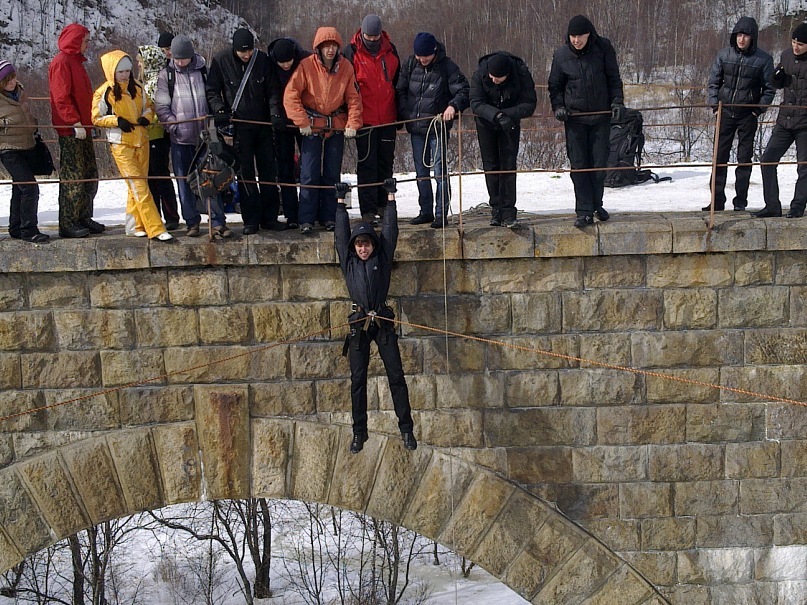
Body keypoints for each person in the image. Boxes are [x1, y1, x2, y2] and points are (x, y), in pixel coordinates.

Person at [334, 179, 417, 454]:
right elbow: (340, 235)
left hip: (382, 320)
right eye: (359, 244)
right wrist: (340, 203)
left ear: (372, 244)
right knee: (358, 381)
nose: (363, 249)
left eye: (367, 244)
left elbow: (390, 231)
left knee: (396, 376)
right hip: (359, 323)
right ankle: (359, 432)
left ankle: (406, 429)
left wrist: (390, 196)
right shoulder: (349, 262)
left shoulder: (382, 257)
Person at [284, 26, 362, 234]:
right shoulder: (306, 65)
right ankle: (306, 219)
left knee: (332, 173)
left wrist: (352, 123)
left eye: (333, 46)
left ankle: (329, 216)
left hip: (336, 125)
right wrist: (301, 121)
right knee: (308, 173)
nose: (330, 50)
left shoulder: (346, 67)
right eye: (325, 46)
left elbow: (354, 98)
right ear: (318, 48)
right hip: (312, 126)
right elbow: (291, 95)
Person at [548, 15, 625, 228]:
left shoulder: (604, 48)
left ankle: (596, 204)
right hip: (575, 119)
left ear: (589, 34)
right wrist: (559, 107)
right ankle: (583, 211)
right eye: (572, 36)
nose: (576, 40)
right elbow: (555, 87)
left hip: (601, 116)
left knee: (599, 165)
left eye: (580, 36)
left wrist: (617, 102)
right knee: (579, 166)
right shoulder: (561, 55)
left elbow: (614, 79)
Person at [207, 28, 285, 234]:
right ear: (234, 49)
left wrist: (275, 113)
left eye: (250, 50)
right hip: (239, 127)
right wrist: (219, 109)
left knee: (268, 171)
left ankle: (270, 217)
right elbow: (212, 90)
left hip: (263, 126)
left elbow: (273, 90)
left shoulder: (262, 60)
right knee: (245, 173)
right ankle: (251, 220)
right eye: (243, 51)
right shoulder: (221, 61)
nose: (247, 55)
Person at [155, 34, 231, 238]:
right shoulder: (166, 75)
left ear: (191, 55)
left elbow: (212, 96)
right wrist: (174, 127)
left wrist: (213, 123)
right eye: (177, 59)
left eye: (184, 58)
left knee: (212, 178)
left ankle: (217, 221)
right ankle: (192, 222)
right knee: (184, 182)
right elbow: (161, 107)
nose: (180, 62)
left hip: (205, 138)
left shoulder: (203, 71)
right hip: (180, 139)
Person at [91, 50, 172, 241]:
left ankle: (134, 225)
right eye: (121, 72)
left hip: (141, 140)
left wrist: (146, 117)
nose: (125, 75)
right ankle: (156, 228)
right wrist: (116, 121)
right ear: (112, 72)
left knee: (136, 186)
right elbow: (96, 118)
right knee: (139, 186)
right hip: (121, 143)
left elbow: (149, 107)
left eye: (127, 71)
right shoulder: (104, 92)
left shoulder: (137, 87)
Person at [397, 32, 469, 228]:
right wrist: (405, 112)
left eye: (426, 56)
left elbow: (464, 90)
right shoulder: (410, 65)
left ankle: (441, 214)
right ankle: (425, 211)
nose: (422, 60)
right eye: (419, 56)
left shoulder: (447, 67)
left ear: (434, 51)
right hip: (416, 127)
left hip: (437, 128)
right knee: (421, 172)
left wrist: (453, 106)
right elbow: (400, 90)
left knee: (439, 171)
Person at [705, 16, 774, 212]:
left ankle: (740, 202)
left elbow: (769, 89)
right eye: (739, 35)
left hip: (747, 115)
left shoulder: (764, 59)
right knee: (719, 158)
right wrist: (715, 107)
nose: (742, 39)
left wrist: (757, 110)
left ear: (753, 38)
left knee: (744, 159)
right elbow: (713, 83)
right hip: (725, 112)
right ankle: (716, 202)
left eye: (746, 36)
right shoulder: (724, 55)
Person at [343, 14, 400, 225]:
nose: (373, 40)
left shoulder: (391, 51)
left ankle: (384, 205)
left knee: (386, 163)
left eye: (376, 37)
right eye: (369, 37)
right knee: (367, 164)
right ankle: (367, 210)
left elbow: (397, 83)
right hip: (364, 119)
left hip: (387, 118)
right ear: (362, 33)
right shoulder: (351, 52)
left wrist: (399, 114)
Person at [469, 51, 537, 228]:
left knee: (508, 166)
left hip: (510, 124)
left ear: (507, 75)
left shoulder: (521, 74)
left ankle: (508, 211)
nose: (494, 80)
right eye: (491, 76)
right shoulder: (479, 74)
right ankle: (496, 209)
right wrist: (497, 115)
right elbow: (476, 103)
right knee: (491, 166)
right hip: (486, 123)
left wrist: (507, 115)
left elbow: (529, 104)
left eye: (498, 78)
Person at [48, 23, 102, 239]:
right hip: (71, 130)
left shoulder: (77, 62)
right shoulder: (61, 62)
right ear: (76, 41)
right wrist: (74, 122)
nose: (87, 45)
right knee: (74, 176)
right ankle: (68, 222)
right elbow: (61, 97)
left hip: (83, 127)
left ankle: (83, 216)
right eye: (85, 41)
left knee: (89, 174)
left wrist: (89, 123)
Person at [755, 24, 807, 219]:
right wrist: (776, 77)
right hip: (785, 119)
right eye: (793, 42)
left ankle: (797, 207)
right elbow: (776, 84)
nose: (795, 47)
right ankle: (772, 206)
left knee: (804, 166)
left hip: (805, 123)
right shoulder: (786, 55)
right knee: (767, 160)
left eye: (800, 44)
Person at [0, 61, 49, 243]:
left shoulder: (20, 94)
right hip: (8, 149)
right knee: (29, 187)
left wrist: (32, 123)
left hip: (27, 146)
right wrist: (7, 123)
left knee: (19, 188)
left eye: (13, 77)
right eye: (7, 80)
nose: (12, 82)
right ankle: (29, 230)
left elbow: (27, 117)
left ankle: (16, 227)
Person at [268, 37, 311, 229]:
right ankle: (291, 213)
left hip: (304, 119)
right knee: (284, 168)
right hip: (281, 122)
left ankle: (309, 211)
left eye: (289, 62)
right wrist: (275, 114)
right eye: (282, 63)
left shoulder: (305, 60)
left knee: (308, 167)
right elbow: (271, 91)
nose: (286, 66)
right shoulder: (269, 65)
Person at [138, 44, 180, 231]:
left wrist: (146, 119)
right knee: (153, 177)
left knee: (159, 176)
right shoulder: (145, 81)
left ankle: (170, 216)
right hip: (148, 135)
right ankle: (157, 216)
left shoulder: (155, 82)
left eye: (141, 62)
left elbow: (159, 109)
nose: (139, 65)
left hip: (156, 134)